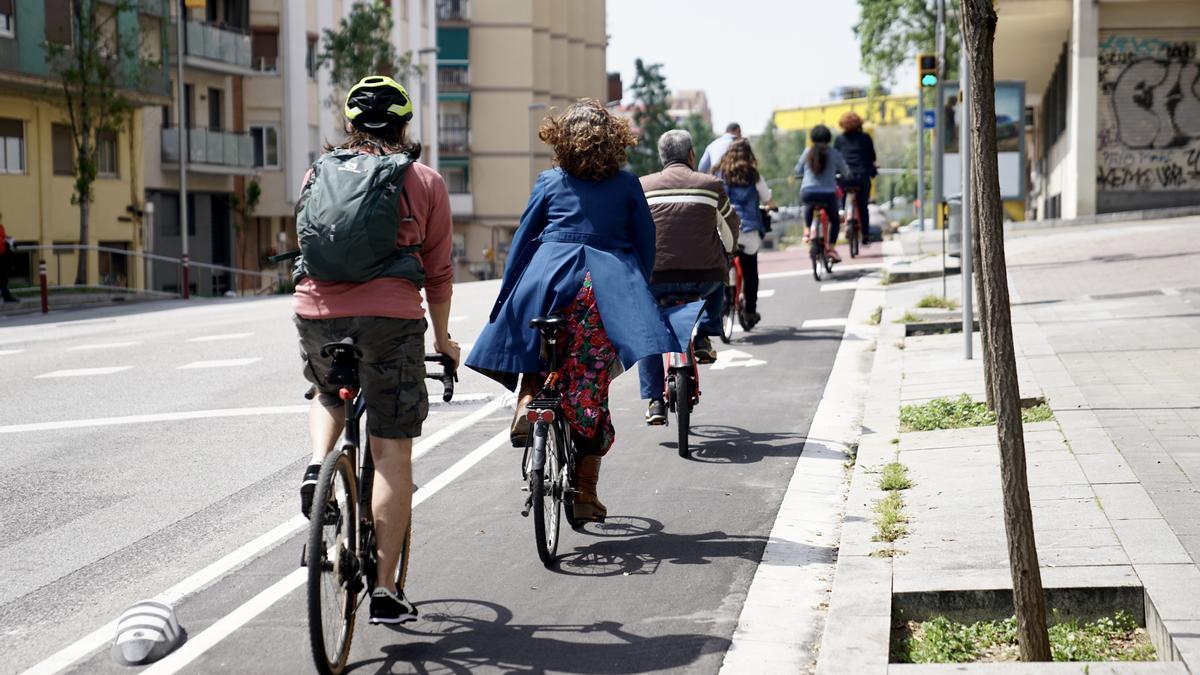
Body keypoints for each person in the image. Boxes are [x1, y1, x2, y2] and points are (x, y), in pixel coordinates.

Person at [293, 75, 459, 625]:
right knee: (391, 451)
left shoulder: (317, 174)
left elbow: (307, 245)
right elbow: (437, 274)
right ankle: (385, 589)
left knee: (326, 388)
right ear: (404, 126)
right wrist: (442, 338)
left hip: (317, 311)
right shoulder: (427, 182)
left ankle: (319, 466)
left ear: (349, 126)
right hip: (391, 320)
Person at [466, 98, 675, 523]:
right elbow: (646, 245)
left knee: (538, 349)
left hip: (546, 278)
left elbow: (523, 240)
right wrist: (638, 290)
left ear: (561, 140)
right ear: (614, 141)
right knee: (590, 384)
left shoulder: (549, 180)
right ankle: (584, 494)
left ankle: (527, 404)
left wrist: (510, 292)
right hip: (601, 288)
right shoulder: (627, 184)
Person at [637, 129, 741, 424]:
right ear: (692, 155)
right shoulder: (712, 185)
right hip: (703, 277)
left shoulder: (642, 187)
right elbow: (730, 230)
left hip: (656, 278)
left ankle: (655, 401)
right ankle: (706, 335)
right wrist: (729, 253)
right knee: (719, 273)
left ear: (662, 158)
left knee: (648, 331)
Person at [716, 138, 774, 329]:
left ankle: (722, 303)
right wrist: (770, 205)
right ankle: (750, 310)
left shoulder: (719, 173)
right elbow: (766, 197)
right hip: (748, 230)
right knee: (751, 272)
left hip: (724, 230)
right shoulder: (752, 174)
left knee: (721, 268)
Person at [796, 124, 851, 263]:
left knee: (809, 203)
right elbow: (845, 171)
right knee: (834, 220)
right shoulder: (834, 153)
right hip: (828, 193)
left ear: (812, 138)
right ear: (828, 138)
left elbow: (798, 170)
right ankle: (831, 248)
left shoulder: (807, 152)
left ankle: (807, 230)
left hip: (807, 192)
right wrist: (845, 175)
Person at [834, 112, 878, 246]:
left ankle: (841, 208)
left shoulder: (839, 139)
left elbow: (836, 158)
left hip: (844, 177)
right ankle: (865, 234)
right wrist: (873, 169)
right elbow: (872, 157)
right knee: (863, 206)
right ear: (860, 123)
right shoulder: (865, 138)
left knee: (841, 192)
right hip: (861, 176)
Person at [0, 215, 16, 303]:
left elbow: (4, 237)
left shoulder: (1, 227)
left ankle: (6, 295)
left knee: (4, 277)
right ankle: (6, 295)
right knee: (3, 277)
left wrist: (12, 240)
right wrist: (6, 241)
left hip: (3, 256)